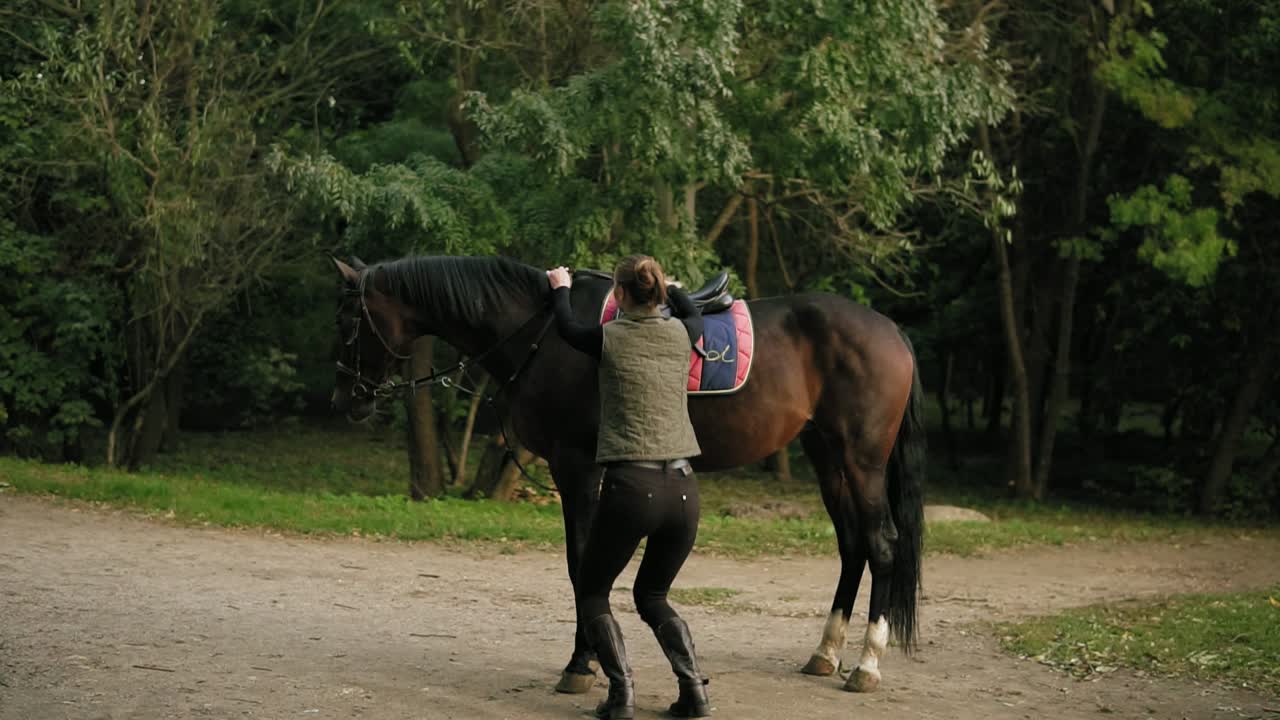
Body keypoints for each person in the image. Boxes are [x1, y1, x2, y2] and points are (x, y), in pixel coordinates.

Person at [546, 255, 710, 719]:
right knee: (653, 597)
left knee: (593, 590)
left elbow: (565, 327)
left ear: (617, 295)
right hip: (684, 490)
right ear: (658, 291)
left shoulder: (607, 338)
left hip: (631, 489)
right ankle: (694, 692)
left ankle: (621, 698)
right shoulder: (683, 333)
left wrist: (560, 286)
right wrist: (673, 288)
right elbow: (693, 312)